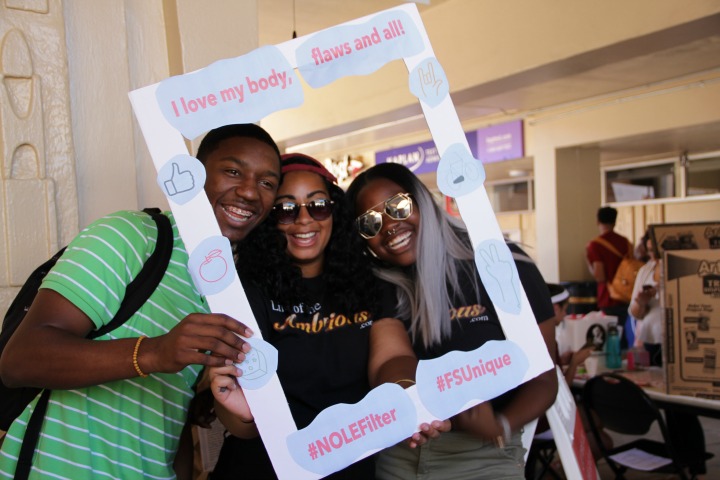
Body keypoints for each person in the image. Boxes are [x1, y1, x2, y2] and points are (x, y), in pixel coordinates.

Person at [0, 123, 281, 479]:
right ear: (195, 175)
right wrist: (155, 352)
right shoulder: (132, 236)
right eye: (232, 171)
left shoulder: (226, 289)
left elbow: (172, 418)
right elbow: (19, 360)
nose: (249, 192)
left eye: (267, 183)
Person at [346, 163, 558, 480]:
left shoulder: (500, 263)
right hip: (401, 453)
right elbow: (393, 357)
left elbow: (544, 378)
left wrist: (499, 426)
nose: (389, 225)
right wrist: (413, 400)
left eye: (398, 206)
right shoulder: (381, 283)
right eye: (370, 223)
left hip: (480, 457)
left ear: (422, 199)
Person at [208, 154, 397, 479]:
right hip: (262, 467)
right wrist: (246, 415)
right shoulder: (245, 292)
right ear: (270, 219)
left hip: (350, 466)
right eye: (285, 209)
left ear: (334, 211)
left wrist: (409, 397)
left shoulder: (371, 284)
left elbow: (391, 358)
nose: (304, 219)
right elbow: (239, 415)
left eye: (318, 205)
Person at [585, 206, 632, 349]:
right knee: (623, 331)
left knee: (611, 336)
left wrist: (589, 264)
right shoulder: (626, 242)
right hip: (625, 295)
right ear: (615, 221)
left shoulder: (595, 245)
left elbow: (600, 276)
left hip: (608, 296)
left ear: (597, 221)